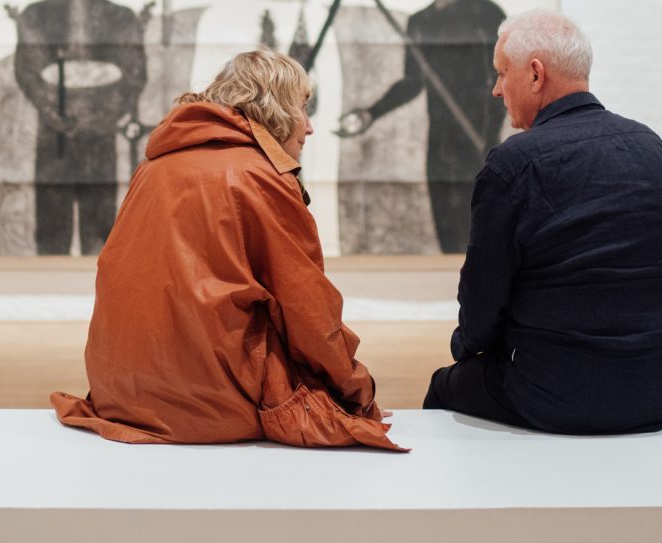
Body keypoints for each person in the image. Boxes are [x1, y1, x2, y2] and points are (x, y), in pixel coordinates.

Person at [52, 49, 402, 451]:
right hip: (208, 403)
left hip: (119, 394)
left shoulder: (153, 166)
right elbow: (308, 308)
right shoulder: (259, 175)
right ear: (275, 109)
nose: (309, 128)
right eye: (302, 108)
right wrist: (357, 388)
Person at [424, 9, 662, 434]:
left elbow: (484, 297)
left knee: (446, 386)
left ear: (535, 75)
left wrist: (466, 350)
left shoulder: (513, 163)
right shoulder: (653, 146)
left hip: (566, 394)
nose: (496, 90)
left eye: (501, 73)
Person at [337, 0, 505, 253]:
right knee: (448, 227)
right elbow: (412, 83)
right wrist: (371, 112)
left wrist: (488, 136)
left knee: (483, 226)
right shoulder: (420, 21)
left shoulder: (486, 12)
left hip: (480, 138)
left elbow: (502, 77)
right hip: (440, 143)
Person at [189, 0, 342, 254]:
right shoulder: (218, 15)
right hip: (239, 140)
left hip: (293, 133)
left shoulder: (310, 13)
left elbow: (329, 84)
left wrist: (301, 107)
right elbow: (203, 86)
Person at [10, 0, 147, 256]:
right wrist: (50, 110)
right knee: (52, 226)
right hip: (54, 137)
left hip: (100, 136)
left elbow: (134, 73)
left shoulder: (121, 17)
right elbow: (27, 68)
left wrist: (104, 116)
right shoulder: (36, 15)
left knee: (100, 225)